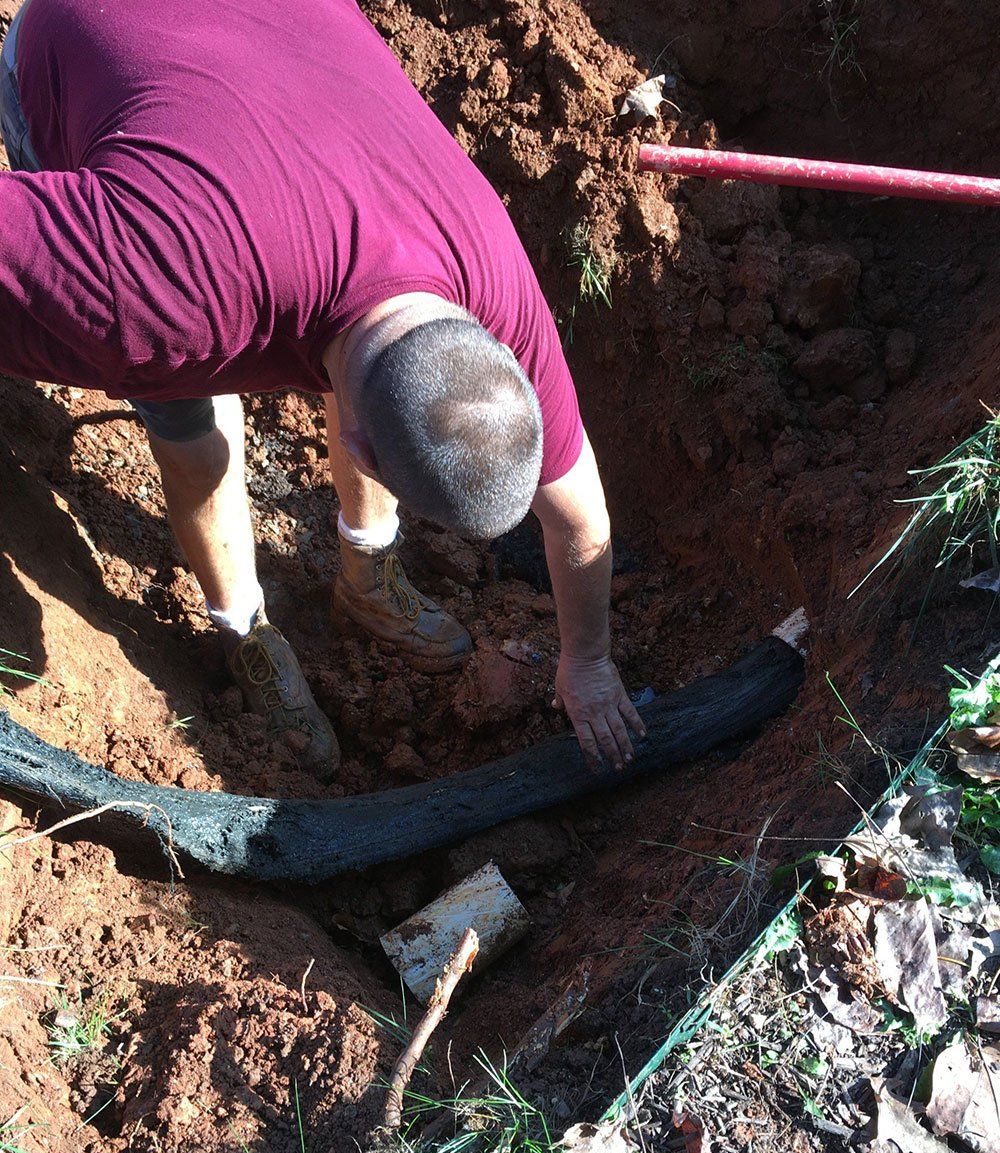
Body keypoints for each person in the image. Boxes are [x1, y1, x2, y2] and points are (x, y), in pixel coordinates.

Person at [0, 0, 645, 780]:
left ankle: (368, 577)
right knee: (191, 434)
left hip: (271, 52)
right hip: (75, 36)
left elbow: (582, 522)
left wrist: (590, 660)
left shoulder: (497, 286)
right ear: (353, 452)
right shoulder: (157, 296)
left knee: (370, 362)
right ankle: (246, 630)